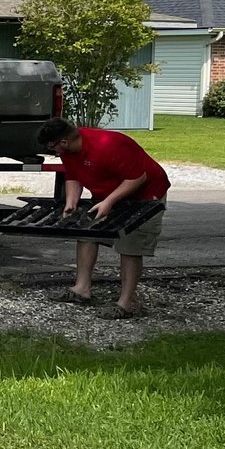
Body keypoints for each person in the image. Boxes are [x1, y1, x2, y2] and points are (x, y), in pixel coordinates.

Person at [36, 117, 170, 317]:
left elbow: (137, 178)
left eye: (52, 148)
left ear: (63, 142)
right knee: (88, 233)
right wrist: (71, 202)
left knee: (130, 246)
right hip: (107, 194)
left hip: (145, 194)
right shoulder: (70, 149)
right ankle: (82, 289)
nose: (54, 153)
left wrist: (109, 202)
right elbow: (73, 175)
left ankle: (125, 304)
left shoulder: (109, 145)